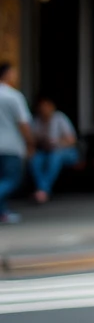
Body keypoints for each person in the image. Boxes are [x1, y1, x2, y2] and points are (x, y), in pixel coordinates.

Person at [0, 62, 32, 225]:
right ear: (7, 74)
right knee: (12, 179)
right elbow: (23, 123)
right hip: (10, 145)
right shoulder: (13, 96)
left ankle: (3, 212)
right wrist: (30, 143)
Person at [28, 97, 78, 203]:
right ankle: (43, 190)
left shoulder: (60, 118)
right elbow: (33, 140)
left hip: (64, 152)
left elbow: (71, 140)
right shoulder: (37, 121)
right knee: (35, 159)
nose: (43, 109)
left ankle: (42, 190)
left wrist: (56, 143)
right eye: (41, 107)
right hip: (45, 151)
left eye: (46, 106)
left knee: (55, 157)